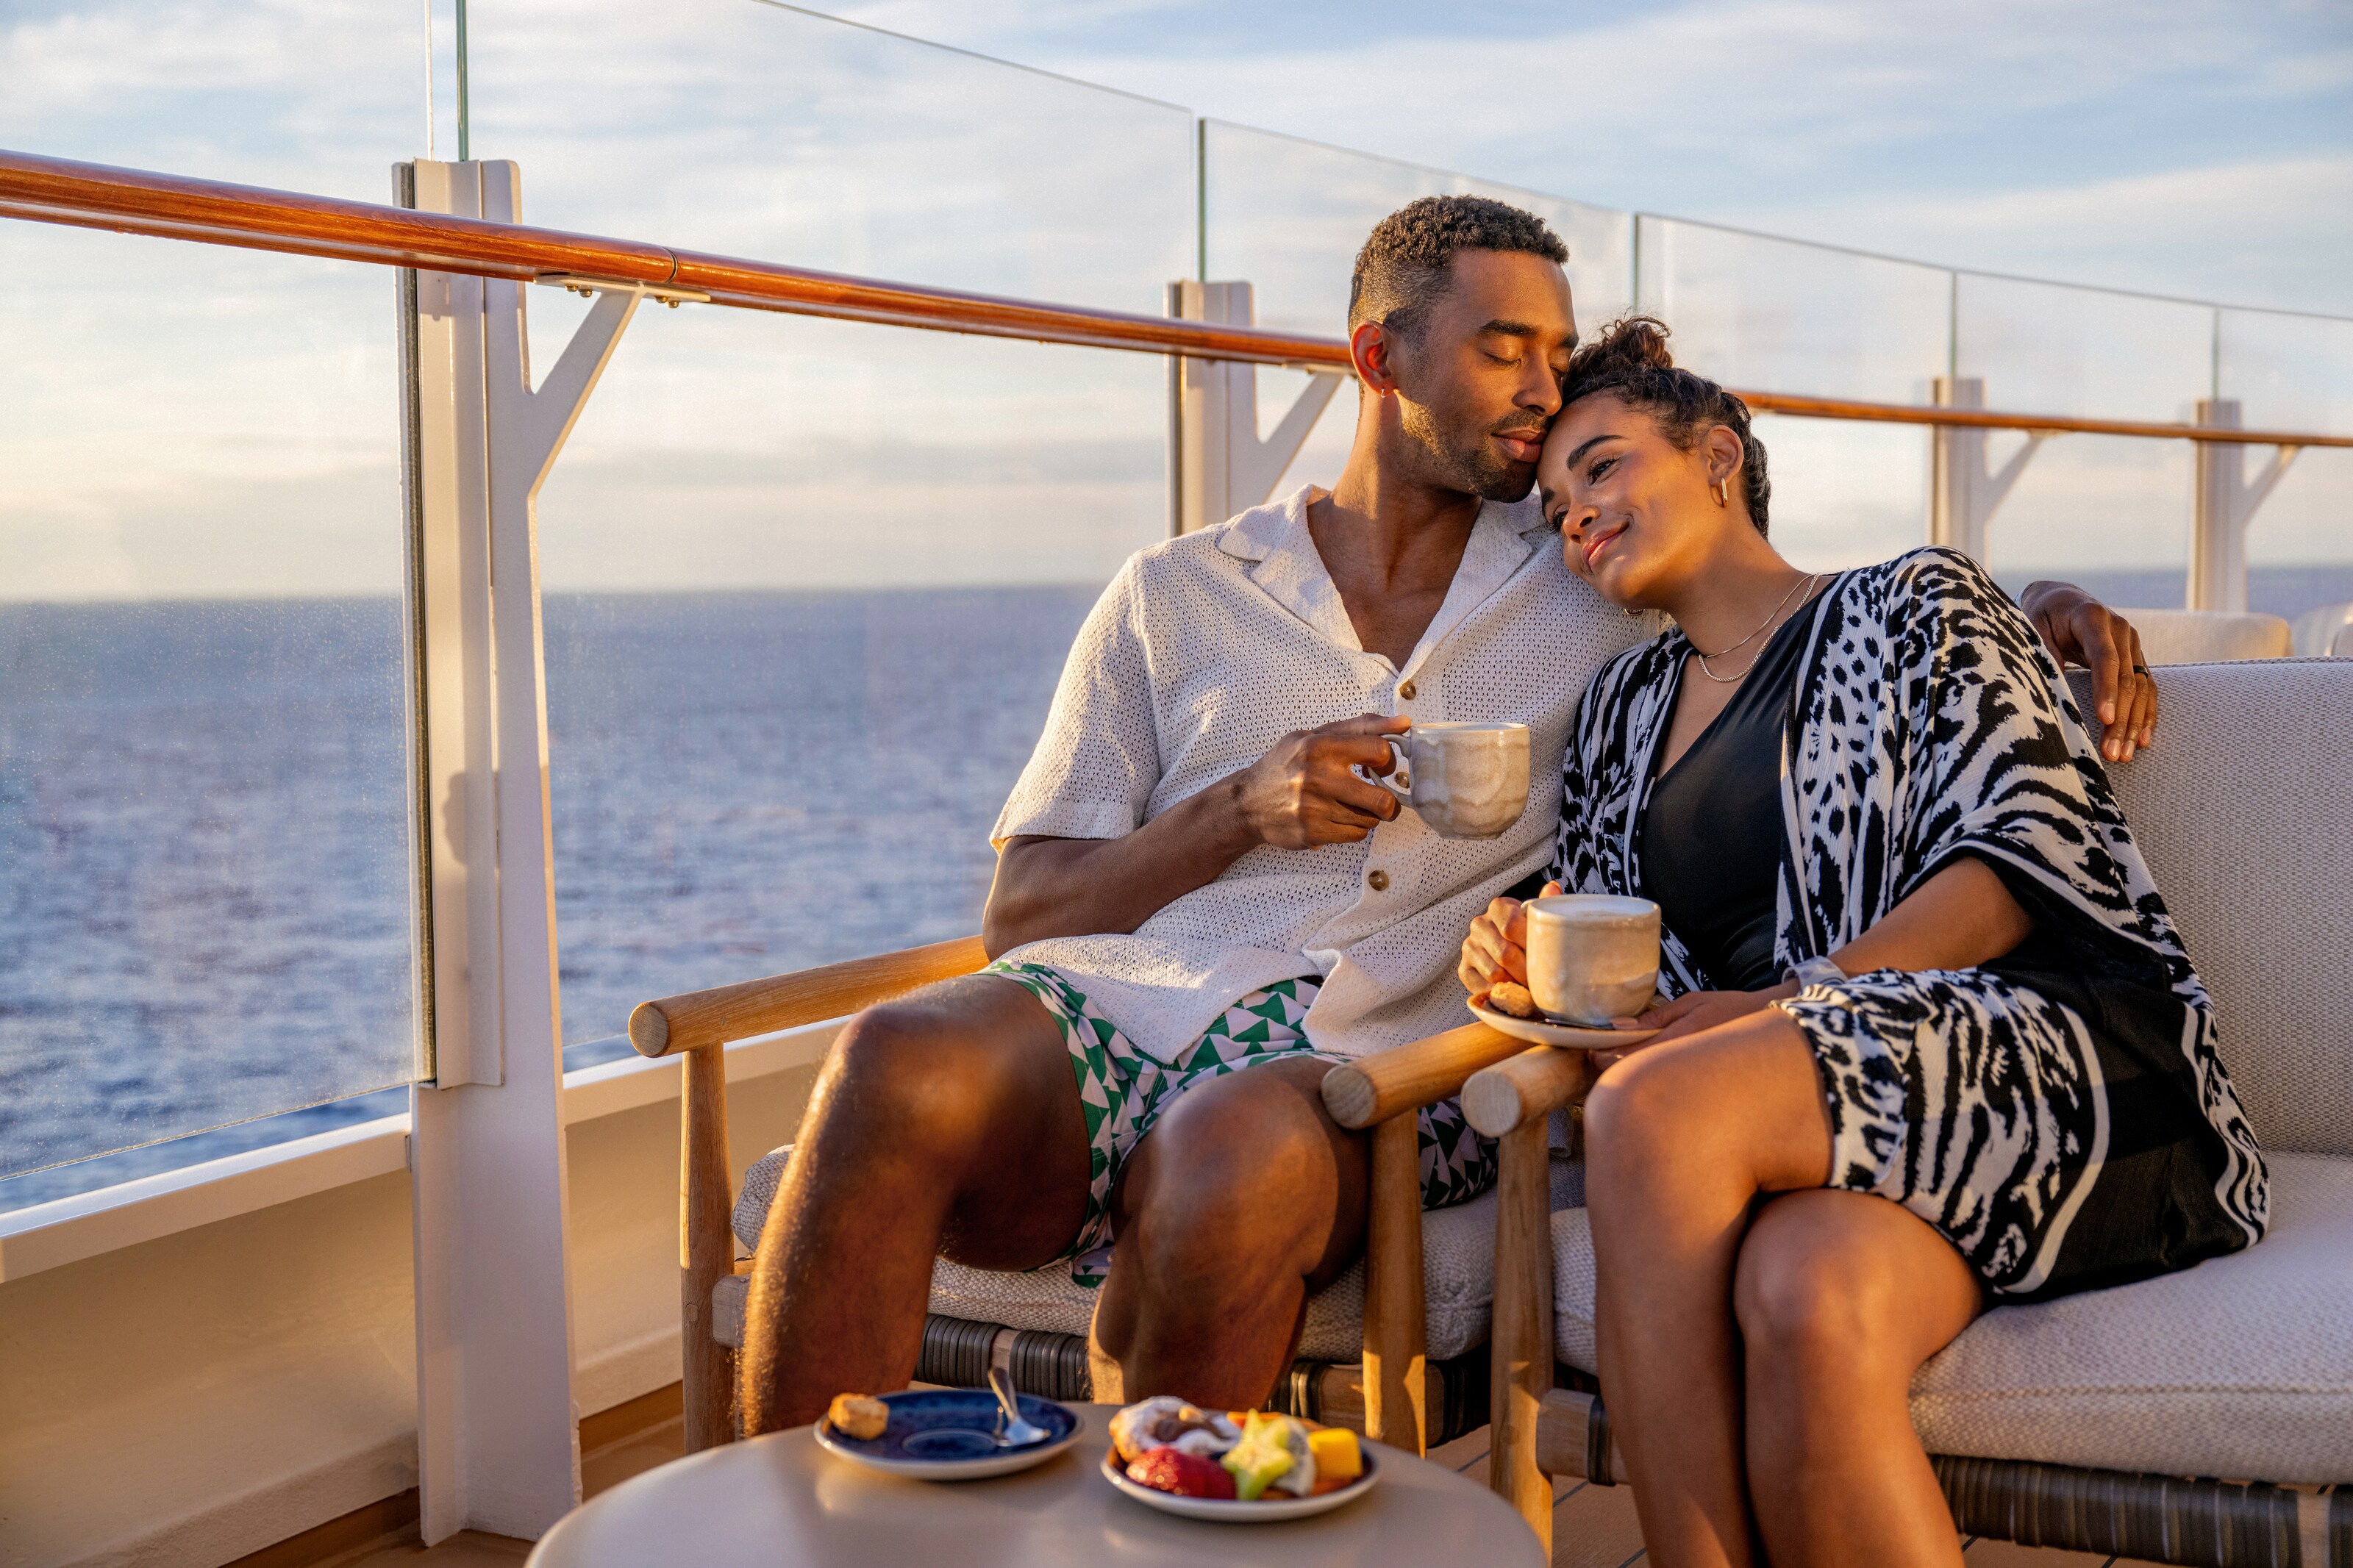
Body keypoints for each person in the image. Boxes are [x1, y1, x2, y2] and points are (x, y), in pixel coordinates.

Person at [739, 194, 2157, 1436]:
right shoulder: (1172, 592)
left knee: (1226, 1157)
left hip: (1382, 1047)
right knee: (889, 1061)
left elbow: (1787, 608)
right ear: (1379, 358)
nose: (1548, 388)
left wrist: (2042, 612)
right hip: (1131, 999)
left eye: (1559, 352)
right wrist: (1239, 807)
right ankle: (774, 1536)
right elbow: (1024, 916)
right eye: (1505, 349)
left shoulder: (1588, 576)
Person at [1459, 318, 2265, 1568]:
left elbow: (2019, 859)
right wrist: (1532, 951)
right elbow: (1640, 971)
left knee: (1649, 1119)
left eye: (1604, 466)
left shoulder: (1914, 599)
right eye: (1558, 503)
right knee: (1806, 1293)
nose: (1577, 515)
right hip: (1818, 1123)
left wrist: (1796, 1004)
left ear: (1718, 454)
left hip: (2054, 1060)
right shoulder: (1618, 712)